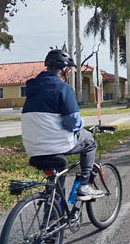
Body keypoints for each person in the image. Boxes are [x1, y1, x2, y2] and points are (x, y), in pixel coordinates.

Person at [21, 49, 103, 201]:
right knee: (90, 141)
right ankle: (84, 186)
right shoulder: (63, 88)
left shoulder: (32, 89)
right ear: (65, 70)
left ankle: (52, 218)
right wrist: (82, 124)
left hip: (33, 147)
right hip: (56, 145)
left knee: (58, 176)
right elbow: (72, 122)